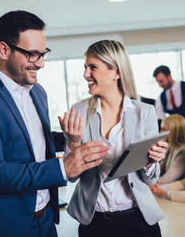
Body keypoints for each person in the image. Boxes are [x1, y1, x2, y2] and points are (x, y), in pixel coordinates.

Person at [0, 10, 109, 237]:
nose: (41, 64)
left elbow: (33, 139)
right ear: (4, 50)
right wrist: (62, 167)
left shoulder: (37, 92)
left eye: (43, 54)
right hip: (2, 226)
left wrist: (73, 136)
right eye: (32, 55)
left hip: (44, 221)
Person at [58, 40, 168, 237]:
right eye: (85, 67)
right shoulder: (79, 111)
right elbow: (72, 177)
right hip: (95, 223)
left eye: (93, 67)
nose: (85, 74)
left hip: (138, 220)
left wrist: (150, 163)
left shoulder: (145, 112)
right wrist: (73, 144)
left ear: (116, 72)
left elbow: (151, 179)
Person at [158, 114, 185, 184]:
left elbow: (166, 179)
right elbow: (160, 170)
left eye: (163, 129)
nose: (160, 132)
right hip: (167, 189)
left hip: (178, 192)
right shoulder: (171, 146)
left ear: (174, 131)